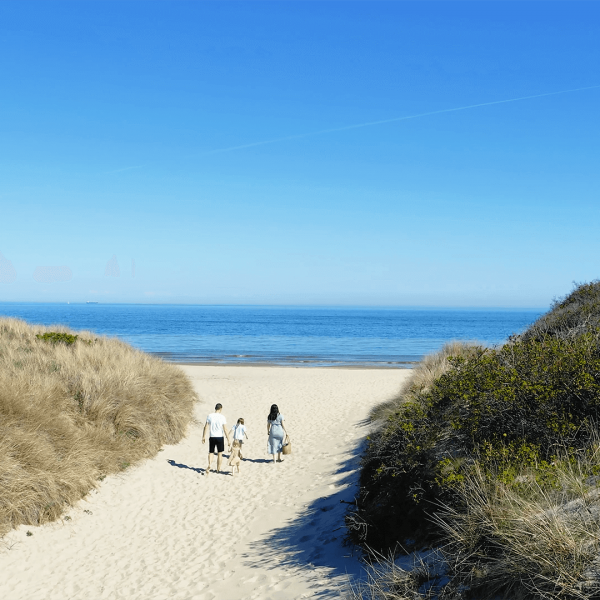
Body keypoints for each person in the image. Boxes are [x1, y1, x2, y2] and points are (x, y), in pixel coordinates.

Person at [202, 403, 231, 475]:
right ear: (220, 409)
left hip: (212, 436)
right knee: (220, 453)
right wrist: (228, 439)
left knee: (211, 452)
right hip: (219, 437)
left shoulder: (209, 416)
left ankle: (209, 464)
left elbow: (206, 427)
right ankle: (218, 469)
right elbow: (225, 429)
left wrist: (203, 436)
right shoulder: (222, 417)